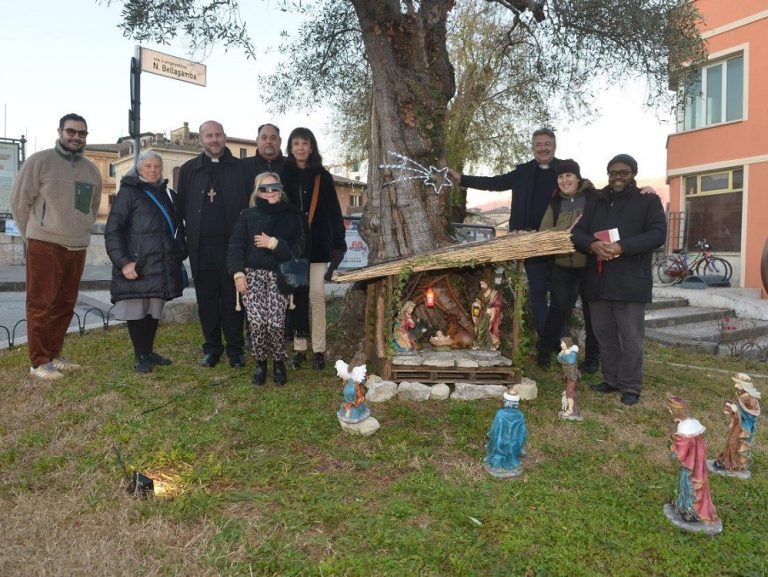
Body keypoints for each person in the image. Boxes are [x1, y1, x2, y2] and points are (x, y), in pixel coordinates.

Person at [10, 113, 103, 380]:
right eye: (70, 131)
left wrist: (82, 229)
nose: (75, 137)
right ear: (60, 132)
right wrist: (35, 234)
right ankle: (38, 362)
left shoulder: (91, 170)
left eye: (81, 133)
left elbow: (93, 207)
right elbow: (19, 201)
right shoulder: (40, 162)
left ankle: (54, 355)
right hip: (45, 244)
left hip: (76, 246)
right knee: (40, 303)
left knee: (65, 303)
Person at [571, 154, 666, 406]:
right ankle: (611, 379)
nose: (617, 177)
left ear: (633, 173)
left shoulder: (647, 200)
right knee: (604, 334)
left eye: (623, 172)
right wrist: (592, 244)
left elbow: (657, 235)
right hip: (598, 280)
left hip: (630, 280)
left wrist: (622, 247)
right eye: (612, 172)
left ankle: (630, 386)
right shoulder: (597, 201)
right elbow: (577, 233)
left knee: (631, 336)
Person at [448, 128, 560, 338]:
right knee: (537, 294)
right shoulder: (523, 172)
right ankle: (546, 343)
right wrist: (462, 179)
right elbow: (494, 183)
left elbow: (585, 192)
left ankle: (560, 343)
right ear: (533, 147)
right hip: (528, 242)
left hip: (557, 242)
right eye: (538, 144)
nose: (543, 148)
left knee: (559, 297)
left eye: (547, 144)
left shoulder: (564, 170)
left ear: (554, 145)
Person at [177, 120, 252, 369]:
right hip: (201, 248)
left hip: (232, 249)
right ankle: (212, 348)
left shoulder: (241, 170)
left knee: (233, 301)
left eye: (218, 135)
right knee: (207, 301)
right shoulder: (189, 170)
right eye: (208, 136)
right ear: (200, 140)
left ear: (225, 137)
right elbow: (181, 208)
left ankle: (235, 349)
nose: (214, 140)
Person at [105, 150, 187, 373]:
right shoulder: (128, 194)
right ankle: (140, 354)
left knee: (153, 310)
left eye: (157, 167)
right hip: (137, 266)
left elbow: (179, 227)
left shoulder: (169, 195)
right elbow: (113, 231)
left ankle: (149, 351)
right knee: (137, 311)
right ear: (140, 169)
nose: (152, 170)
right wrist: (123, 263)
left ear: (162, 170)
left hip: (161, 267)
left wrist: (179, 251)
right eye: (148, 166)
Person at [227, 172, 305, 386]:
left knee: (277, 324)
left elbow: (298, 250)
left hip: (280, 276)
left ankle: (278, 362)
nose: (269, 191)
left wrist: (275, 244)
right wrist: (237, 273)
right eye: (264, 188)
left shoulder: (293, 216)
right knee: (257, 323)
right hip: (251, 276)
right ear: (257, 192)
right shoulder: (247, 215)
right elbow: (235, 246)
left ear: (281, 190)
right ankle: (260, 363)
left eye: (274, 187)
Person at [281, 127, 346, 370]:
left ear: (312, 147)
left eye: (305, 143)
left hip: (317, 246)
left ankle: (319, 349)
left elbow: (333, 213)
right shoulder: (282, 175)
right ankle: (299, 348)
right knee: (296, 297)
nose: (300, 147)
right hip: (292, 248)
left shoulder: (323, 177)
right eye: (296, 143)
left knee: (317, 296)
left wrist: (339, 244)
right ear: (290, 147)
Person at [536, 159, 600, 372]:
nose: (564, 180)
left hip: (590, 264)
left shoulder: (593, 198)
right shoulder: (555, 204)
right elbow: (544, 234)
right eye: (561, 177)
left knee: (592, 313)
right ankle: (544, 350)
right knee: (558, 310)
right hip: (562, 266)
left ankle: (591, 359)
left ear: (577, 178)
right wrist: (564, 234)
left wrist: (642, 189)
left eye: (568, 176)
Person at [667, 418, 720, 528]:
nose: (679, 439)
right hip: (695, 470)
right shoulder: (697, 441)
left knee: (689, 489)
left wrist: (674, 449)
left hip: (690, 471)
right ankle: (683, 506)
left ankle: (690, 511)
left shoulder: (688, 441)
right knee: (686, 488)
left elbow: (680, 454)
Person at [711, 372, 761, 474]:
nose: (735, 386)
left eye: (738, 383)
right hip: (737, 423)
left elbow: (753, 415)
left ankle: (733, 464)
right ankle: (726, 461)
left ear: (744, 385)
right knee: (730, 441)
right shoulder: (739, 394)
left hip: (743, 426)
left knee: (734, 442)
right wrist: (729, 407)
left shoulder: (751, 399)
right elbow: (736, 406)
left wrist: (737, 410)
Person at [484, 389, 528, 478]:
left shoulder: (500, 414)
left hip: (499, 443)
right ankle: (511, 462)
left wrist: (490, 434)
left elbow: (495, 429)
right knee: (512, 447)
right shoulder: (520, 415)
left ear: (505, 401)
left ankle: (498, 464)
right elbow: (523, 431)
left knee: (496, 446)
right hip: (514, 443)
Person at [471, 279, 503, 350]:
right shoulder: (480, 294)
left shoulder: (494, 294)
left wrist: (492, 309)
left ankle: (489, 345)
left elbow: (498, 305)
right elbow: (477, 303)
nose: (481, 286)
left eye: (483, 284)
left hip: (491, 314)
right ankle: (479, 344)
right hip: (482, 314)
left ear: (487, 284)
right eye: (480, 285)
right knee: (479, 327)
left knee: (484, 328)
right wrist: (477, 305)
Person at [557, 338, 582, 420]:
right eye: (561, 343)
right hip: (568, 375)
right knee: (568, 391)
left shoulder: (572, 353)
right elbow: (559, 360)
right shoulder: (565, 352)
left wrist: (567, 354)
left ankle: (571, 410)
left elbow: (571, 361)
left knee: (569, 392)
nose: (561, 345)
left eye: (563, 343)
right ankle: (569, 408)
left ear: (567, 344)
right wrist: (561, 354)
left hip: (572, 375)